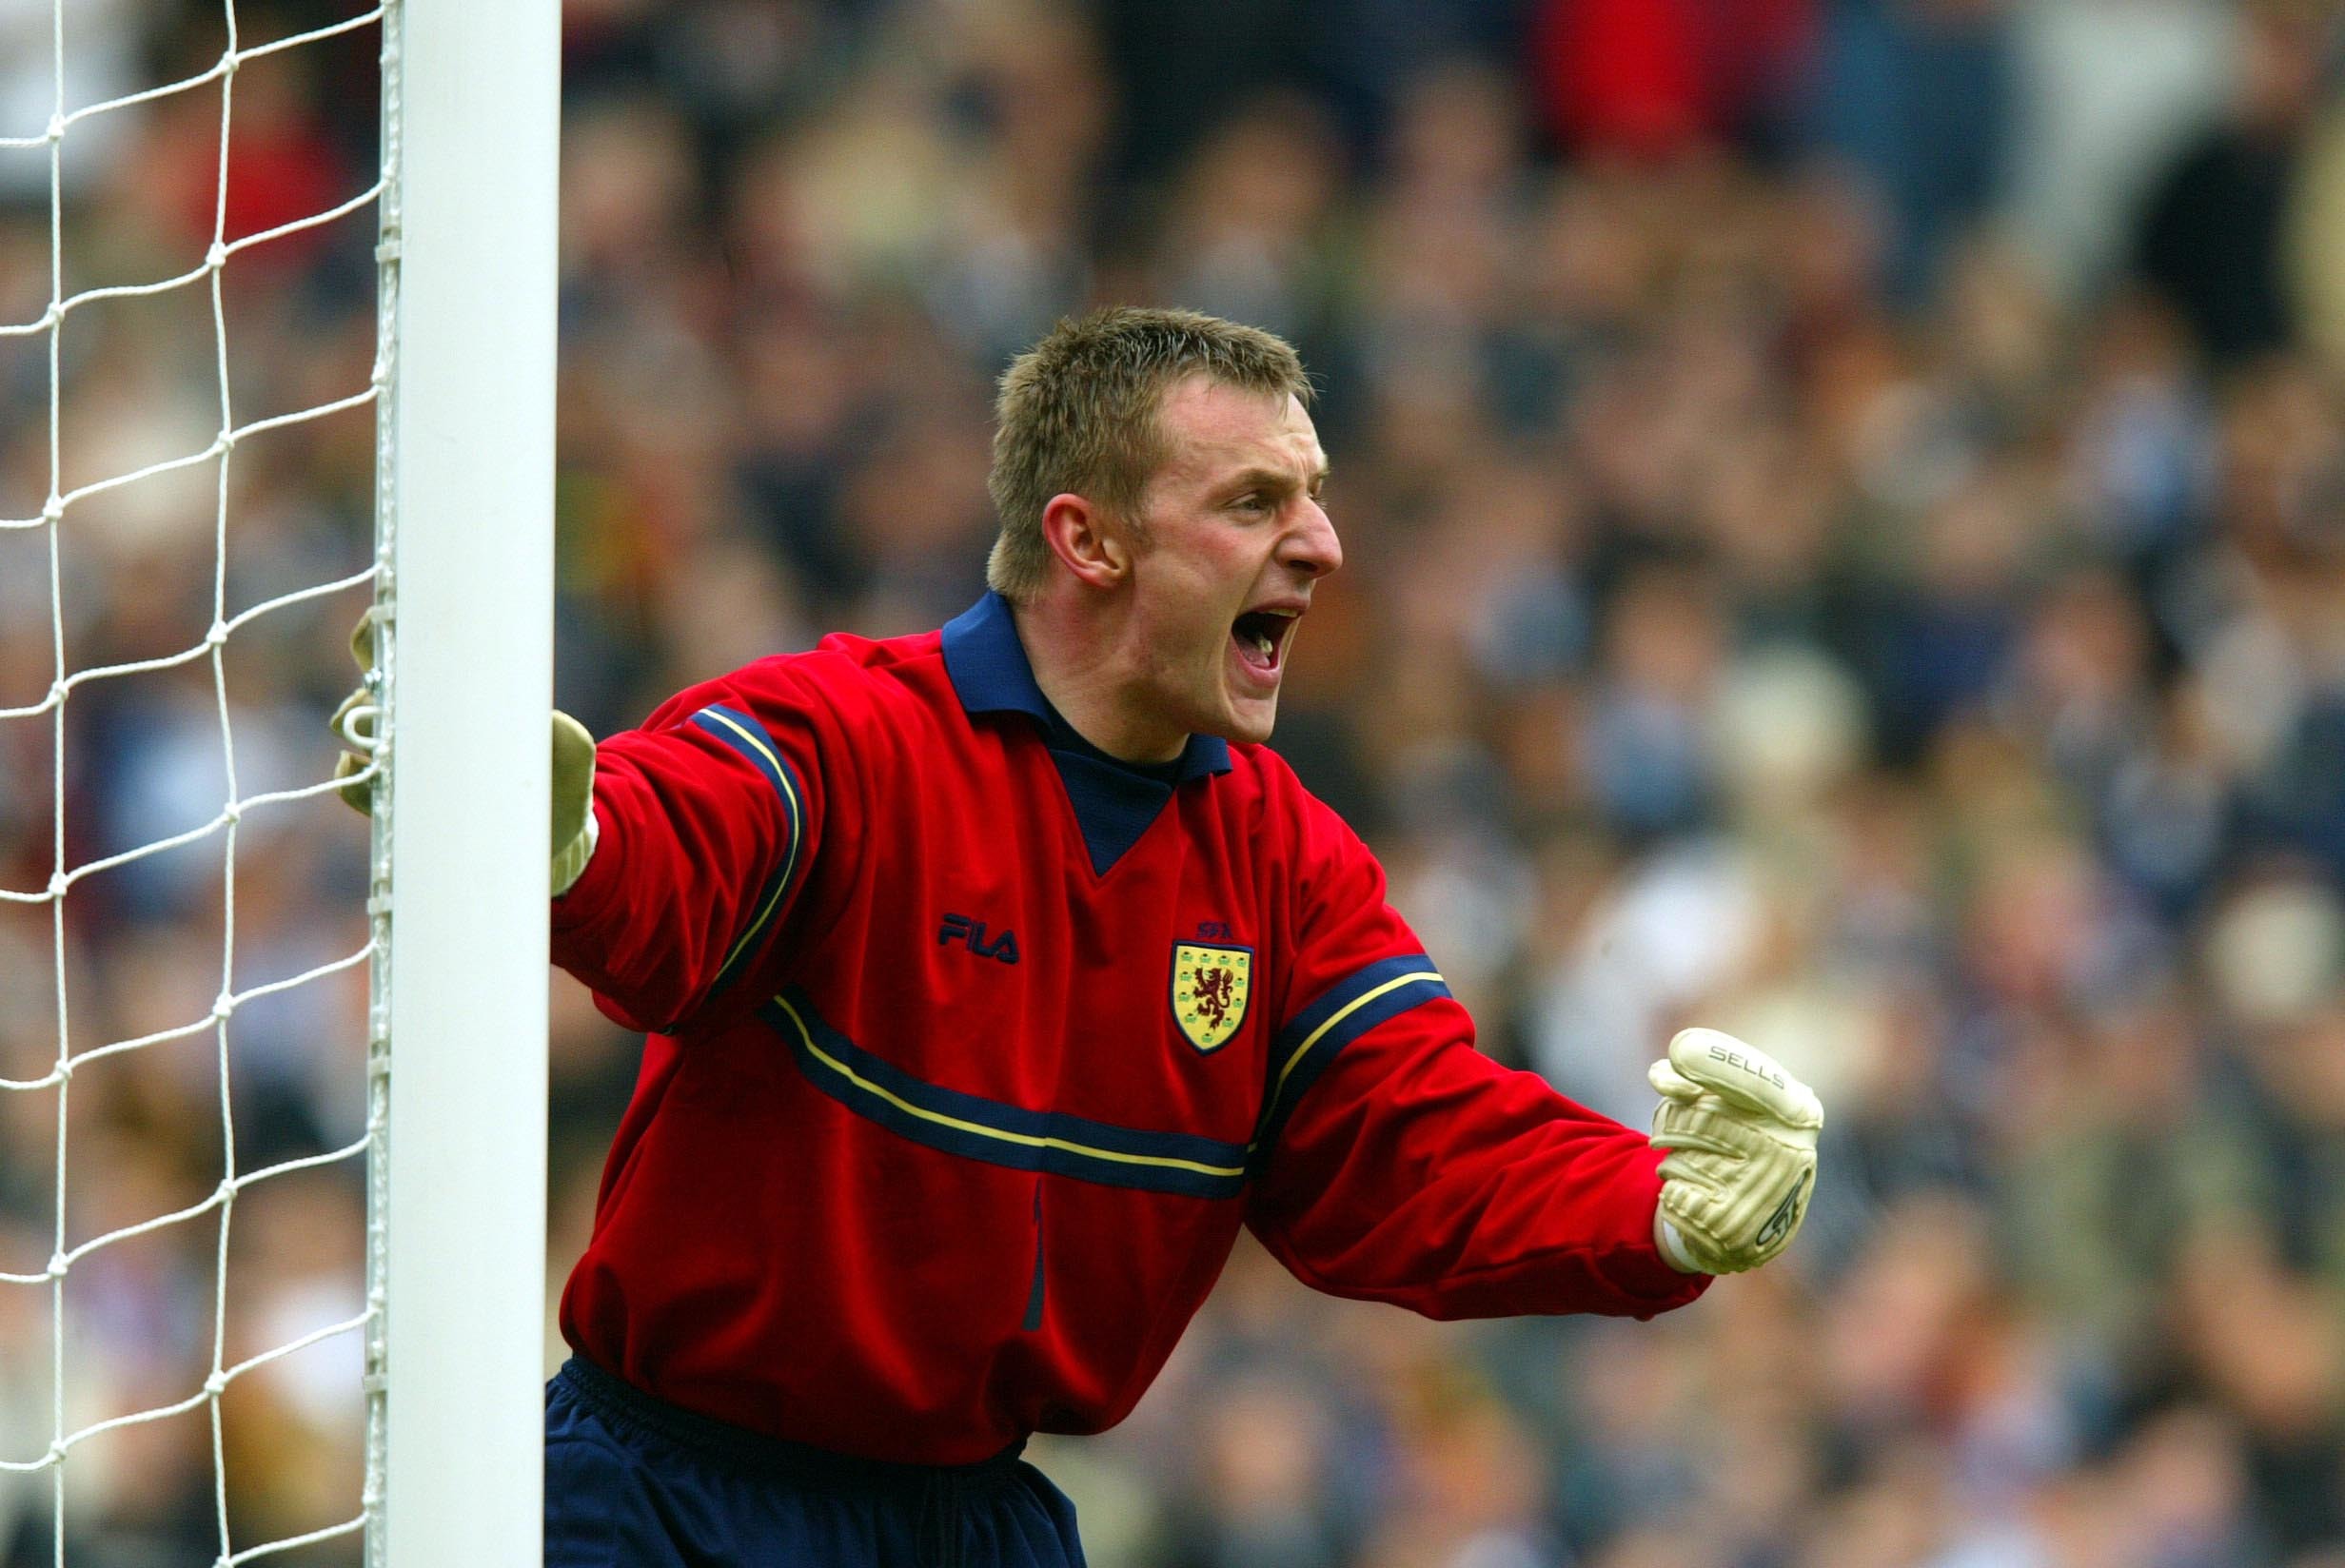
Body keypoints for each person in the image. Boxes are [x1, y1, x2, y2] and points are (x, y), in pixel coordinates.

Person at [337, 305, 1823, 1567]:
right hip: (665, 1508)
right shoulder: (852, 736)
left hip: (977, 1524)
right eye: (1254, 503)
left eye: (1311, 495)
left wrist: (1655, 1207)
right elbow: (679, 842)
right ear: (1087, 539)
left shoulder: (1285, 859)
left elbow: (1413, 1142)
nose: (1324, 543)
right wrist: (558, 845)